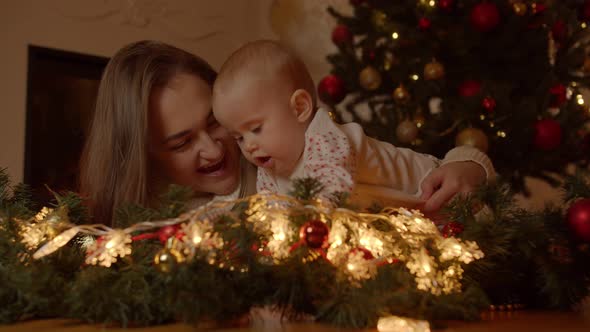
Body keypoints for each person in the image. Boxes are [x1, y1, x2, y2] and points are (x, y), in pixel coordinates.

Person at [212, 40, 494, 210]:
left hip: (438, 189)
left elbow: (333, 197)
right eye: (238, 138)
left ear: (300, 108)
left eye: (256, 128)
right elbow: (271, 212)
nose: (248, 146)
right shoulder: (270, 168)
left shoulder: (326, 139)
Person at [79, 40, 256, 225]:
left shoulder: (275, 177)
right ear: (146, 160)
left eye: (214, 122)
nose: (214, 151)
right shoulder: (133, 235)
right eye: (182, 143)